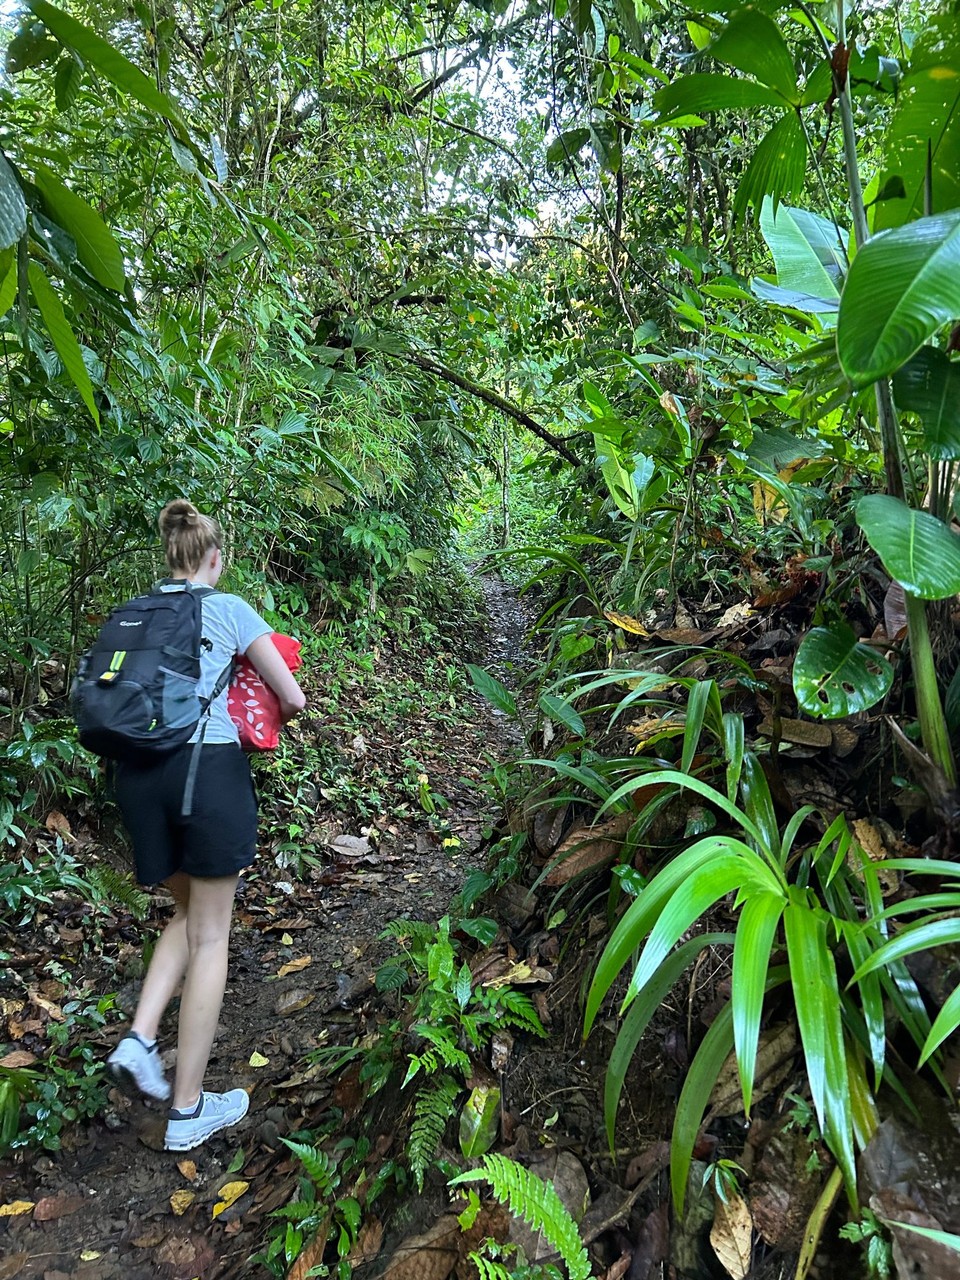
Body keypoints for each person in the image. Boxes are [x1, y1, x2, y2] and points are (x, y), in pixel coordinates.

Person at [105, 499, 306, 1152]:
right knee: (213, 933)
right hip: (204, 774)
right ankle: (188, 1108)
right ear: (213, 559)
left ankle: (140, 1041)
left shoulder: (134, 613)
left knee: (188, 917)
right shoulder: (228, 607)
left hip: (137, 779)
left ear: (171, 557)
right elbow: (293, 697)